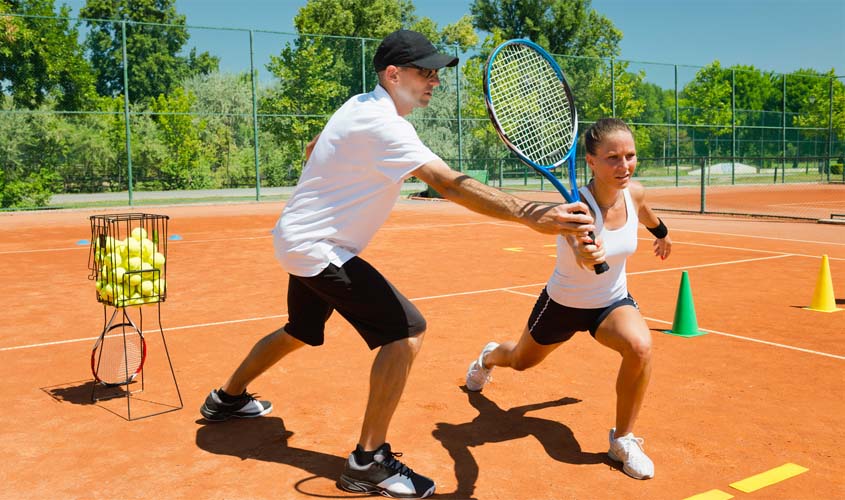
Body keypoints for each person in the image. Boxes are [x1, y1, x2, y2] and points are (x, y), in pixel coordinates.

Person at [200, 29, 602, 499]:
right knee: (405, 332)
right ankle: (367, 463)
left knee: (299, 330)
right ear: (393, 74)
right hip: (318, 247)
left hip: (301, 239)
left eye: (436, 73)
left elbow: (314, 147)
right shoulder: (384, 125)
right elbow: (447, 183)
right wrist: (533, 215)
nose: (434, 80)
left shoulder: (359, 106)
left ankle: (225, 399)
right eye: (425, 72)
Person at [464, 117, 672, 481]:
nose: (624, 166)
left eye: (630, 155)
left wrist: (663, 234)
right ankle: (488, 355)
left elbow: (647, 215)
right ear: (591, 162)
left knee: (640, 347)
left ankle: (623, 439)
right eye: (613, 158)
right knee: (520, 360)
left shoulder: (634, 192)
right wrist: (588, 254)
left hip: (610, 304)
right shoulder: (577, 208)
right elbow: (580, 252)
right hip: (562, 305)